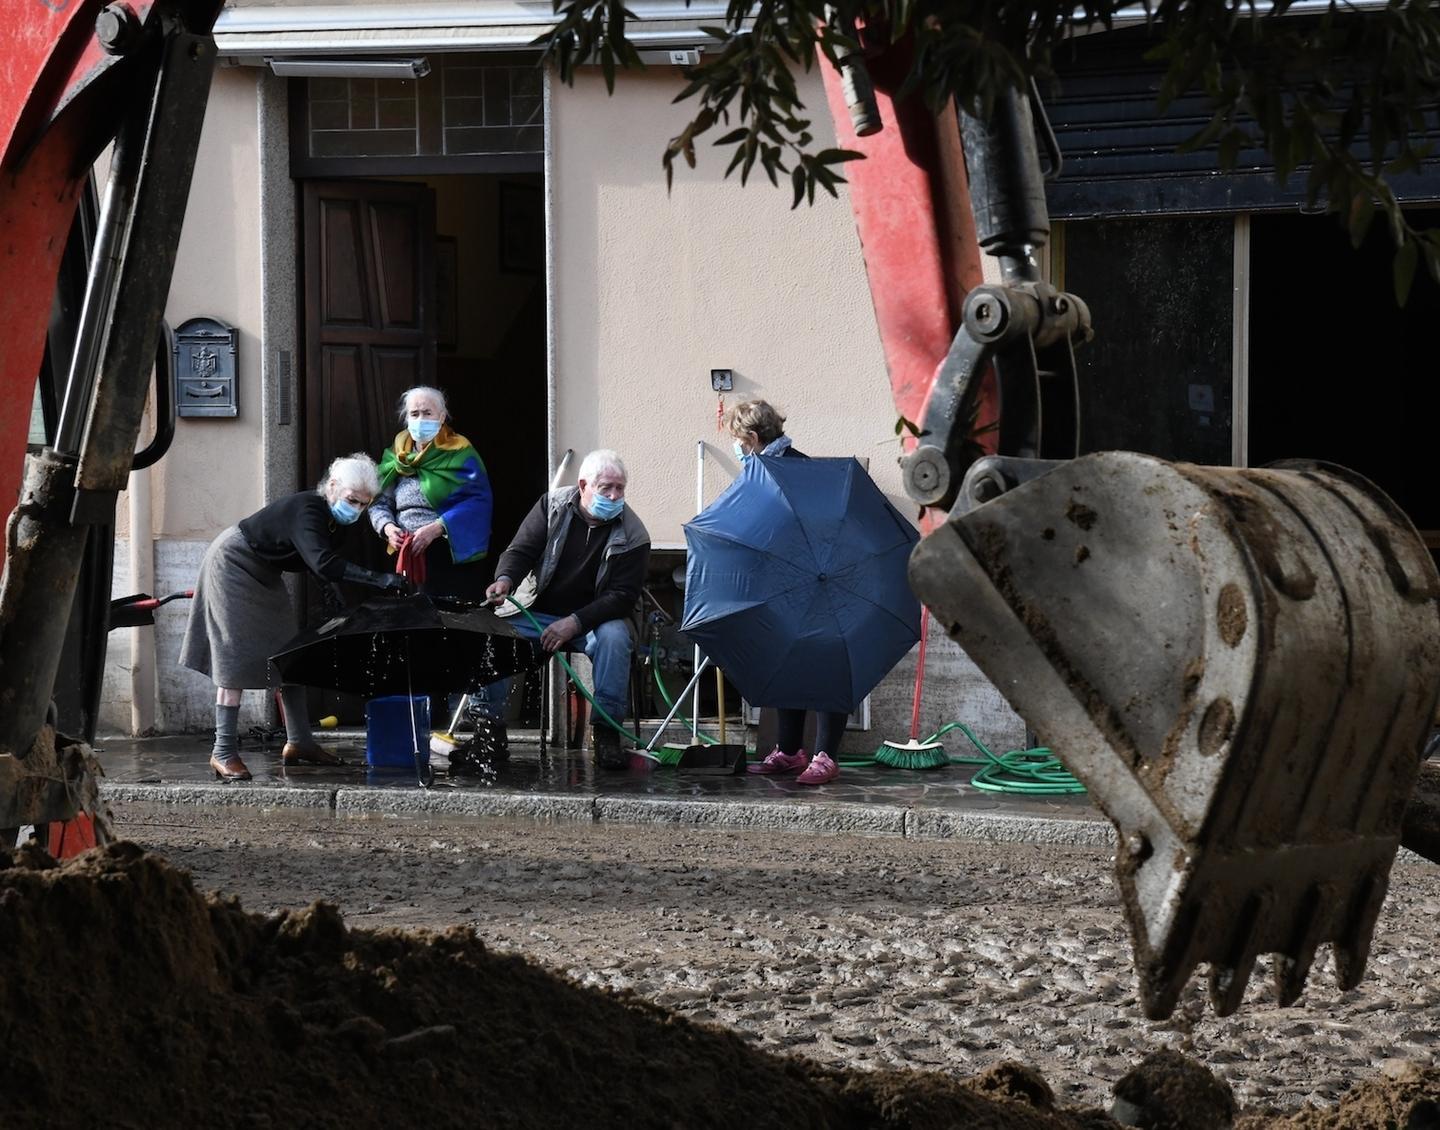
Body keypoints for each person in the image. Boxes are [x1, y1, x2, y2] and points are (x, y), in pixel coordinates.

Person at [180, 453, 411, 781]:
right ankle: (223, 751)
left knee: (291, 655)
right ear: (332, 488)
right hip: (233, 563)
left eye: (363, 504)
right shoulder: (309, 509)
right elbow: (324, 563)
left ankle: (300, 742)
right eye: (351, 500)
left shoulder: (335, 521)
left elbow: (321, 565)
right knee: (235, 656)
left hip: (265, 571)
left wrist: (338, 601)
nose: (357, 510)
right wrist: (380, 580)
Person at [484, 449, 650, 769]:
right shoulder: (552, 506)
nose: (615, 496)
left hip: (595, 619)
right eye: (606, 488)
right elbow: (521, 549)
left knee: (615, 639)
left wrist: (574, 623)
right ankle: (489, 731)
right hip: (539, 611)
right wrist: (505, 580)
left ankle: (605, 731)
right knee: (493, 635)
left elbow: (622, 597)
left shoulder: (634, 533)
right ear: (583, 484)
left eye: (620, 488)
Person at [727, 398, 848, 785]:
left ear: (751, 437)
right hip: (781, 579)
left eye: (740, 440)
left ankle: (826, 755)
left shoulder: (796, 469)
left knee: (826, 662)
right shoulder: (758, 472)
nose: (739, 448)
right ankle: (790, 751)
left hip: (817, 576)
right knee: (787, 659)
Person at [371, 385, 493, 601]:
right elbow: (378, 503)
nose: (420, 419)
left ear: (442, 416)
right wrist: (387, 527)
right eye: (414, 414)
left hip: (448, 553)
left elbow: (478, 501)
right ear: (406, 418)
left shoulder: (460, 452)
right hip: (404, 552)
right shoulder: (396, 456)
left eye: (427, 413)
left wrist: (438, 528)